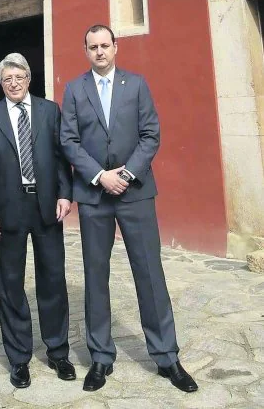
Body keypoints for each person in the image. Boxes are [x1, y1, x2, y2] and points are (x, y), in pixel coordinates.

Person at [60, 25, 198, 393]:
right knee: (95, 275)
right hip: (95, 196)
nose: (100, 51)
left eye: (106, 45)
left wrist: (127, 172)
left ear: (116, 47)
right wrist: (99, 176)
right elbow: (68, 140)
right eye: (93, 46)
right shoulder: (74, 90)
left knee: (150, 273)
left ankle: (167, 356)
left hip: (135, 192)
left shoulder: (136, 85)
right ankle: (101, 357)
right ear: (86, 51)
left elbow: (151, 133)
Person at [0, 53, 74, 389]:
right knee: (11, 283)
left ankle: (58, 351)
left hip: (47, 205)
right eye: (7, 79)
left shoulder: (49, 111)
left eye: (19, 77)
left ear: (28, 79)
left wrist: (65, 193)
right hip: (8, 209)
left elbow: (62, 157)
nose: (14, 84)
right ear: (1, 83)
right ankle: (19, 358)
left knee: (52, 279)